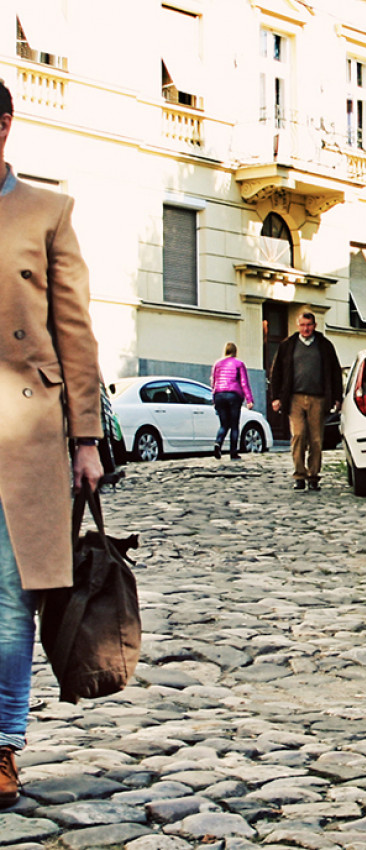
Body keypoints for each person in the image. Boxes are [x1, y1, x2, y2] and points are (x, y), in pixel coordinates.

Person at [0, 79, 103, 806]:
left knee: (8, 601)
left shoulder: (47, 211)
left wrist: (88, 438)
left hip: (26, 431)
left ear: (4, 127)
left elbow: (75, 333)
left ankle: (2, 748)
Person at [269, 312, 341, 491]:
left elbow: (334, 372)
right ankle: (299, 474)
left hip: (318, 398)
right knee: (299, 435)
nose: (305, 328)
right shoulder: (288, 345)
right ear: (297, 325)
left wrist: (337, 398)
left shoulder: (324, 346)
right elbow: (276, 371)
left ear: (314, 325)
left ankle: (313, 476)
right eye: (302, 325)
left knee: (316, 439)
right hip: (294, 398)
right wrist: (276, 397)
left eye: (308, 325)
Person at [210, 342, 255, 460]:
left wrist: (214, 397)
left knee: (224, 424)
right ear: (235, 351)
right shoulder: (239, 364)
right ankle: (233, 452)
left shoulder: (217, 364)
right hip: (233, 395)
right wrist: (249, 399)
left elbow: (213, 381)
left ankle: (218, 443)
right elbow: (244, 382)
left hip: (219, 395)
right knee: (234, 425)